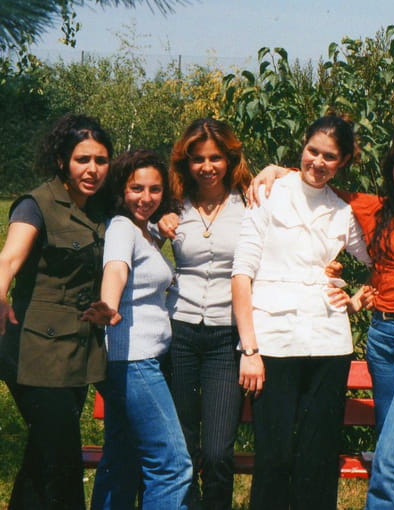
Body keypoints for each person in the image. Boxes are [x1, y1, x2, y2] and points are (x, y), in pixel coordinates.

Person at [251, 126, 394, 510]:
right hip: (384, 341)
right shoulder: (374, 209)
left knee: (390, 458)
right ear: (391, 170)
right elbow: (320, 182)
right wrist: (279, 170)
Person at [231, 114, 371, 510]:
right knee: (274, 457)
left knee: (318, 459)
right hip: (273, 343)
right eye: (313, 151)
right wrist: (250, 349)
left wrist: (357, 298)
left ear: (343, 161)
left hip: (329, 343)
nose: (318, 162)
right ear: (302, 147)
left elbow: (383, 260)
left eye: (330, 156)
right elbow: (242, 275)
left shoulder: (342, 211)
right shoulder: (268, 193)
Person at [0, 114, 111, 510]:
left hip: (77, 353)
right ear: (62, 160)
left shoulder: (102, 206)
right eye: (83, 159)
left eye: (101, 160)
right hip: (34, 351)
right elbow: (9, 258)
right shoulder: (36, 205)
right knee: (62, 459)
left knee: (44, 453)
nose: (92, 169)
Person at [84, 149, 192, 510]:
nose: (146, 198)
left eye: (155, 189)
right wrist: (109, 305)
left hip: (134, 360)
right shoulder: (121, 227)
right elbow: (116, 268)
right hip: (134, 360)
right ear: (121, 189)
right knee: (172, 465)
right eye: (136, 188)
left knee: (121, 459)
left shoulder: (144, 231)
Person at [158, 118, 252, 509]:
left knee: (216, 452)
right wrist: (159, 222)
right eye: (198, 159)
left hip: (225, 337)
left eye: (216, 158)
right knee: (181, 446)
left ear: (230, 159)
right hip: (179, 332)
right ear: (186, 162)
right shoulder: (172, 205)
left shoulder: (250, 202)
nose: (207, 167)